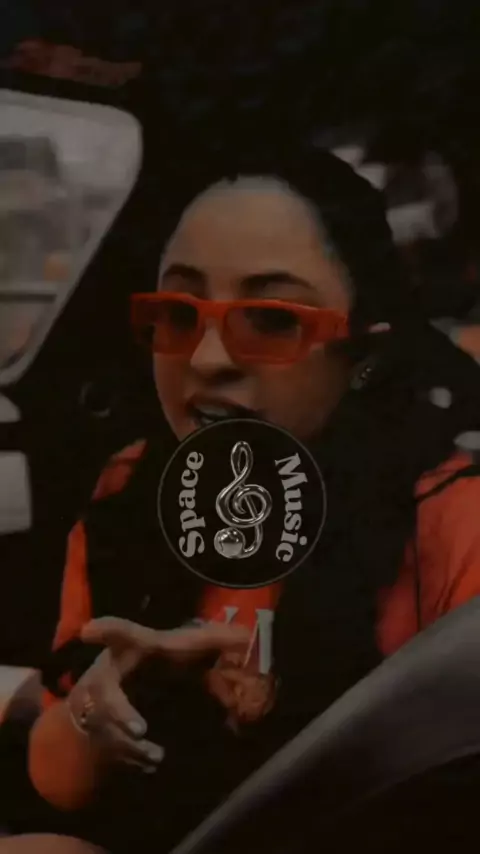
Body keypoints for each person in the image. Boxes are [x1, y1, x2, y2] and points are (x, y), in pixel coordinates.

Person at [6, 144, 480, 853]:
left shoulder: (452, 519)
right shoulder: (130, 489)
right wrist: (97, 711)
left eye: (272, 320)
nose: (205, 359)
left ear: (366, 355)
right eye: (178, 313)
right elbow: (59, 783)